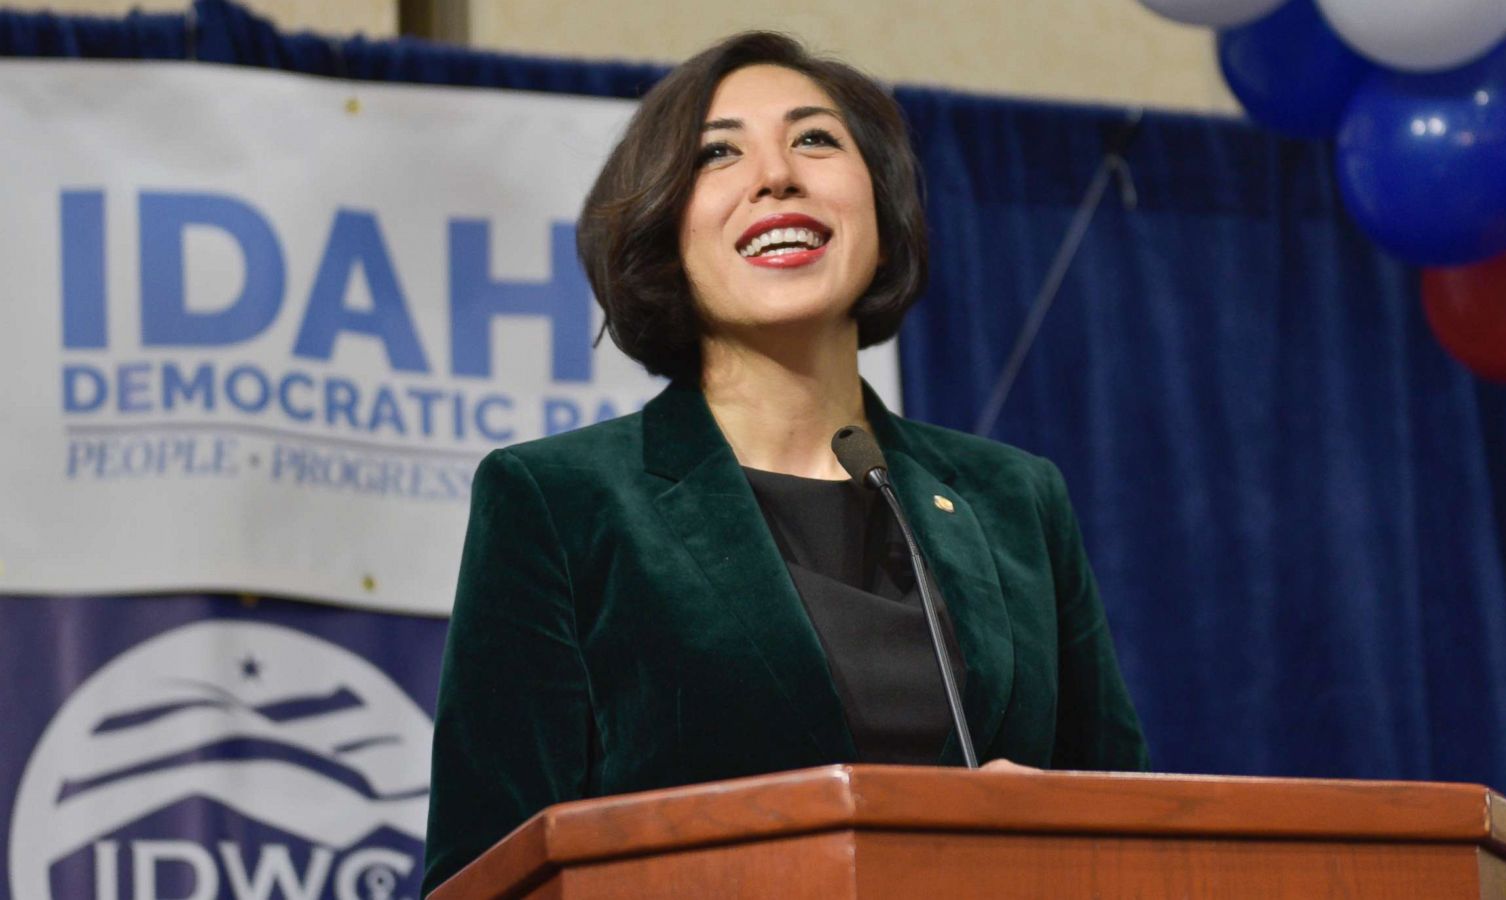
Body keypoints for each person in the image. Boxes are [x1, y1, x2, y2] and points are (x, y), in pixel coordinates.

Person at [421, 31, 1148, 894]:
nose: (777, 175)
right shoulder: (560, 501)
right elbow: (486, 870)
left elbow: (1126, 825)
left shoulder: (1013, 498)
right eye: (718, 154)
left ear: (880, 209)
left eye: (815, 139)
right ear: (661, 230)